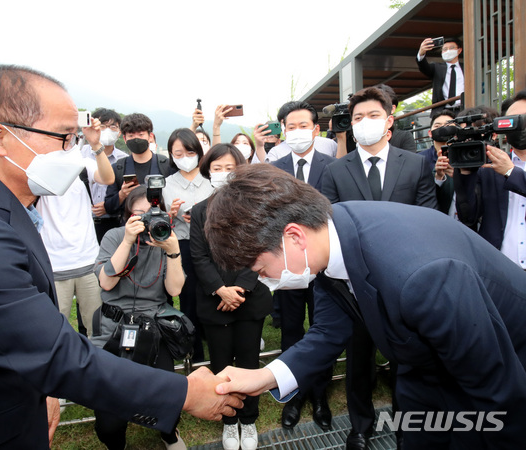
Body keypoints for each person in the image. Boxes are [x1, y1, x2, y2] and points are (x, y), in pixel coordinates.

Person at [0, 64, 242, 449]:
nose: (74, 153)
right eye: (65, 138)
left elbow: (17, 341)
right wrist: (184, 393)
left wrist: (42, 389)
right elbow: (55, 352)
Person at [205, 163, 526, 450]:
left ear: (293, 236)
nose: (264, 281)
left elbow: (498, 394)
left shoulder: (424, 276)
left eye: (261, 270)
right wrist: (264, 377)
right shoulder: (329, 237)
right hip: (423, 368)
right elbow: (329, 332)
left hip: (497, 367)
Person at [321, 86, 437, 450]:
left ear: (389, 121)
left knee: (409, 360)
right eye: (357, 118)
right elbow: (331, 227)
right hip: (357, 283)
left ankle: (406, 428)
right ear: (350, 126)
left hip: (406, 282)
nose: (364, 123)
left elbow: (428, 218)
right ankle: (360, 426)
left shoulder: (416, 163)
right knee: (359, 357)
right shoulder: (336, 170)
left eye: (372, 116)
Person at [191, 144, 272, 450]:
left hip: (248, 298)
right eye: (217, 168)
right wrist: (220, 289)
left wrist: (239, 288)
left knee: (249, 362)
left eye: (229, 168)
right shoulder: (199, 211)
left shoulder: (255, 207)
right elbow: (198, 257)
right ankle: (229, 422)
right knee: (221, 363)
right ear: (207, 170)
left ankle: (249, 421)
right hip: (215, 300)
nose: (223, 174)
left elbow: (261, 250)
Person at [91, 186, 186, 450]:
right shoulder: (114, 236)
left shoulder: (164, 238)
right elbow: (107, 282)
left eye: (152, 213)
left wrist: (173, 251)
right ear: (128, 216)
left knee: (168, 397)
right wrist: (127, 242)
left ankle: (169, 433)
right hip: (112, 327)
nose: (146, 221)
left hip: (153, 328)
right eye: (139, 214)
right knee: (109, 422)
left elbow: (175, 290)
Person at [270, 101, 335, 432]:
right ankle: (293, 394)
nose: (295, 131)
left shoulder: (333, 166)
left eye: (302, 125)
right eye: (289, 126)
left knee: (323, 328)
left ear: (315, 129)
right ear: (283, 130)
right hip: (288, 266)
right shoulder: (275, 168)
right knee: (293, 331)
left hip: (325, 266)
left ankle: (320, 395)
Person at [35, 116, 115, 337]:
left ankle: (96, 368)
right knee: (53, 329)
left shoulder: (82, 163)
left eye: (70, 132)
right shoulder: (36, 165)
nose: (66, 137)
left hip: (87, 260)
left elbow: (108, 178)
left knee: (96, 326)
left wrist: (96, 144)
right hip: (53, 264)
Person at [454, 90, 526, 269]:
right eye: (513, 120)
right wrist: (465, 173)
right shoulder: (491, 166)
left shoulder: (503, 167)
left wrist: (510, 172)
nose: (519, 126)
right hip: (500, 270)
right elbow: (468, 215)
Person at [163, 128, 214, 362]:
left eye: (190, 151)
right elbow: (160, 222)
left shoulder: (212, 177)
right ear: (171, 155)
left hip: (213, 246)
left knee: (213, 294)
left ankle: (216, 347)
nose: (185, 157)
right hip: (183, 246)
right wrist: (171, 215)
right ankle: (195, 356)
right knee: (189, 300)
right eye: (178, 153)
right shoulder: (165, 184)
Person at [104, 113, 174, 219]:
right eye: (131, 136)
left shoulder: (166, 165)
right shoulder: (117, 168)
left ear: (150, 136)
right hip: (129, 227)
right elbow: (108, 207)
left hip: (159, 225)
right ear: (125, 138)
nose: (136, 139)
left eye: (141, 135)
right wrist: (122, 194)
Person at [80, 107, 128, 244]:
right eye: (102, 126)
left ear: (119, 133)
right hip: (85, 221)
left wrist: (108, 205)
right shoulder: (80, 154)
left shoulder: (123, 159)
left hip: (114, 221)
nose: (107, 130)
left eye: (113, 127)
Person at [257, 101, 338, 163]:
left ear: (316, 129)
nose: (297, 130)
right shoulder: (276, 153)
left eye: (303, 126)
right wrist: (259, 146)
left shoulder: (329, 146)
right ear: (285, 130)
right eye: (291, 127)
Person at [418, 110, 457, 216]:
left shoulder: (465, 157)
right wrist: (438, 177)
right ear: (430, 133)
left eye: (447, 125)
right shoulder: (419, 160)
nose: (443, 129)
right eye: (438, 126)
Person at [417, 37, 464, 117]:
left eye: (451, 48)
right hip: (442, 111)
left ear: (459, 50)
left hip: (462, 110)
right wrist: (421, 53)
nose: (448, 51)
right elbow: (424, 67)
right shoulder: (437, 67)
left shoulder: (466, 68)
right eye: (445, 49)